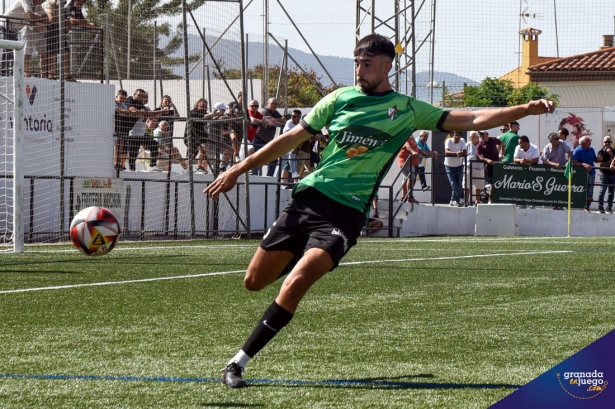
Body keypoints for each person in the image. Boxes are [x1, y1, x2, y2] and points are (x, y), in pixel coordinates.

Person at [204, 33, 555, 389]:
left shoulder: (406, 109)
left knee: (295, 284)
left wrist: (523, 110)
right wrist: (238, 169)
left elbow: (471, 118)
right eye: (357, 63)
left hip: (347, 214)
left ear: (387, 67)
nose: (359, 70)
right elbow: (289, 139)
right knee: (254, 282)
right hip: (307, 201)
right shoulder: (339, 99)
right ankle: (306, 254)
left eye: (367, 64)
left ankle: (237, 363)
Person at [2, 0, 46, 77]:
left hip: (13, 29)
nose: (43, 1)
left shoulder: (38, 6)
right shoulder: (26, 0)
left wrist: (36, 17)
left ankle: (11, 72)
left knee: (12, 51)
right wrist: (39, 17)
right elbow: (30, 15)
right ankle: (5, 72)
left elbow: (44, 18)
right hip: (7, 25)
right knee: (9, 50)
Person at [251, 97, 286, 176]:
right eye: (272, 104)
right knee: (257, 160)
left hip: (268, 141)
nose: (274, 105)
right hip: (259, 139)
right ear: (268, 104)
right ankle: (254, 178)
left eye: (275, 104)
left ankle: (269, 177)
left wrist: (277, 120)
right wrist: (278, 121)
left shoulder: (274, 112)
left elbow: (284, 119)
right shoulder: (264, 111)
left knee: (273, 159)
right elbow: (272, 122)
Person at [572, 136, 598, 213]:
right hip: (582, 173)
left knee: (591, 189)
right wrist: (583, 164)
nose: (590, 143)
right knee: (585, 189)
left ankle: (587, 207)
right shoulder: (577, 151)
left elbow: (594, 159)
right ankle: (583, 206)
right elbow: (574, 162)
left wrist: (599, 159)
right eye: (588, 142)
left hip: (592, 172)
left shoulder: (591, 149)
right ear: (583, 143)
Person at [279, 109, 302, 187]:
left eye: (294, 116)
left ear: (299, 118)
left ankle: (290, 182)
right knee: (293, 161)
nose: (292, 117)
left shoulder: (300, 124)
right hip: (287, 145)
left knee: (292, 164)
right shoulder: (289, 122)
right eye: (291, 116)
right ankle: (287, 182)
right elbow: (288, 134)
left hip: (295, 146)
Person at [444, 131, 467, 207]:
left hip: (459, 165)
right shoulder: (449, 140)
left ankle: (453, 200)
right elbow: (446, 152)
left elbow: (464, 152)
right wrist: (456, 153)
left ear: (460, 136)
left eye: (458, 135)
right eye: (455, 135)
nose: (456, 137)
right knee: (453, 183)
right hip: (449, 165)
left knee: (458, 184)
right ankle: (461, 197)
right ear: (452, 135)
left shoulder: (462, 141)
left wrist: (461, 153)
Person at [397, 134, 420, 203]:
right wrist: (413, 152)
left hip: (411, 162)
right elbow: (407, 146)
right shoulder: (405, 135)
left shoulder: (412, 136)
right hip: (405, 162)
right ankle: (410, 197)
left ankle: (404, 197)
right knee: (411, 178)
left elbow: (415, 148)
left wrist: (425, 152)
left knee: (405, 179)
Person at [596, 135, 615, 214]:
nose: (607, 143)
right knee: (602, 191)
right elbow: (600, 165)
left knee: (611, 192)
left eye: (609, 142)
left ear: (611, 143)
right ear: (603, 143)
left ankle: (609, 207)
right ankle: (600, 207)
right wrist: (610, 161)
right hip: (604, 174)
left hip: (613, 174)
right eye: (605, 142)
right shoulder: (601, 152)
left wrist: (611, 155)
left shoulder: (614, 151)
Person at [464, 131, 484, 206]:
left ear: (477, 137)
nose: (471, 138)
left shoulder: (482, 145)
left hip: (479, 167)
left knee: (478, 186)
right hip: (469, 167)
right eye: (470, 137)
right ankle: (466, 200)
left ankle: (476, 201)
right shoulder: (467, 145)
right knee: (467, 185)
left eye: (472, 137)